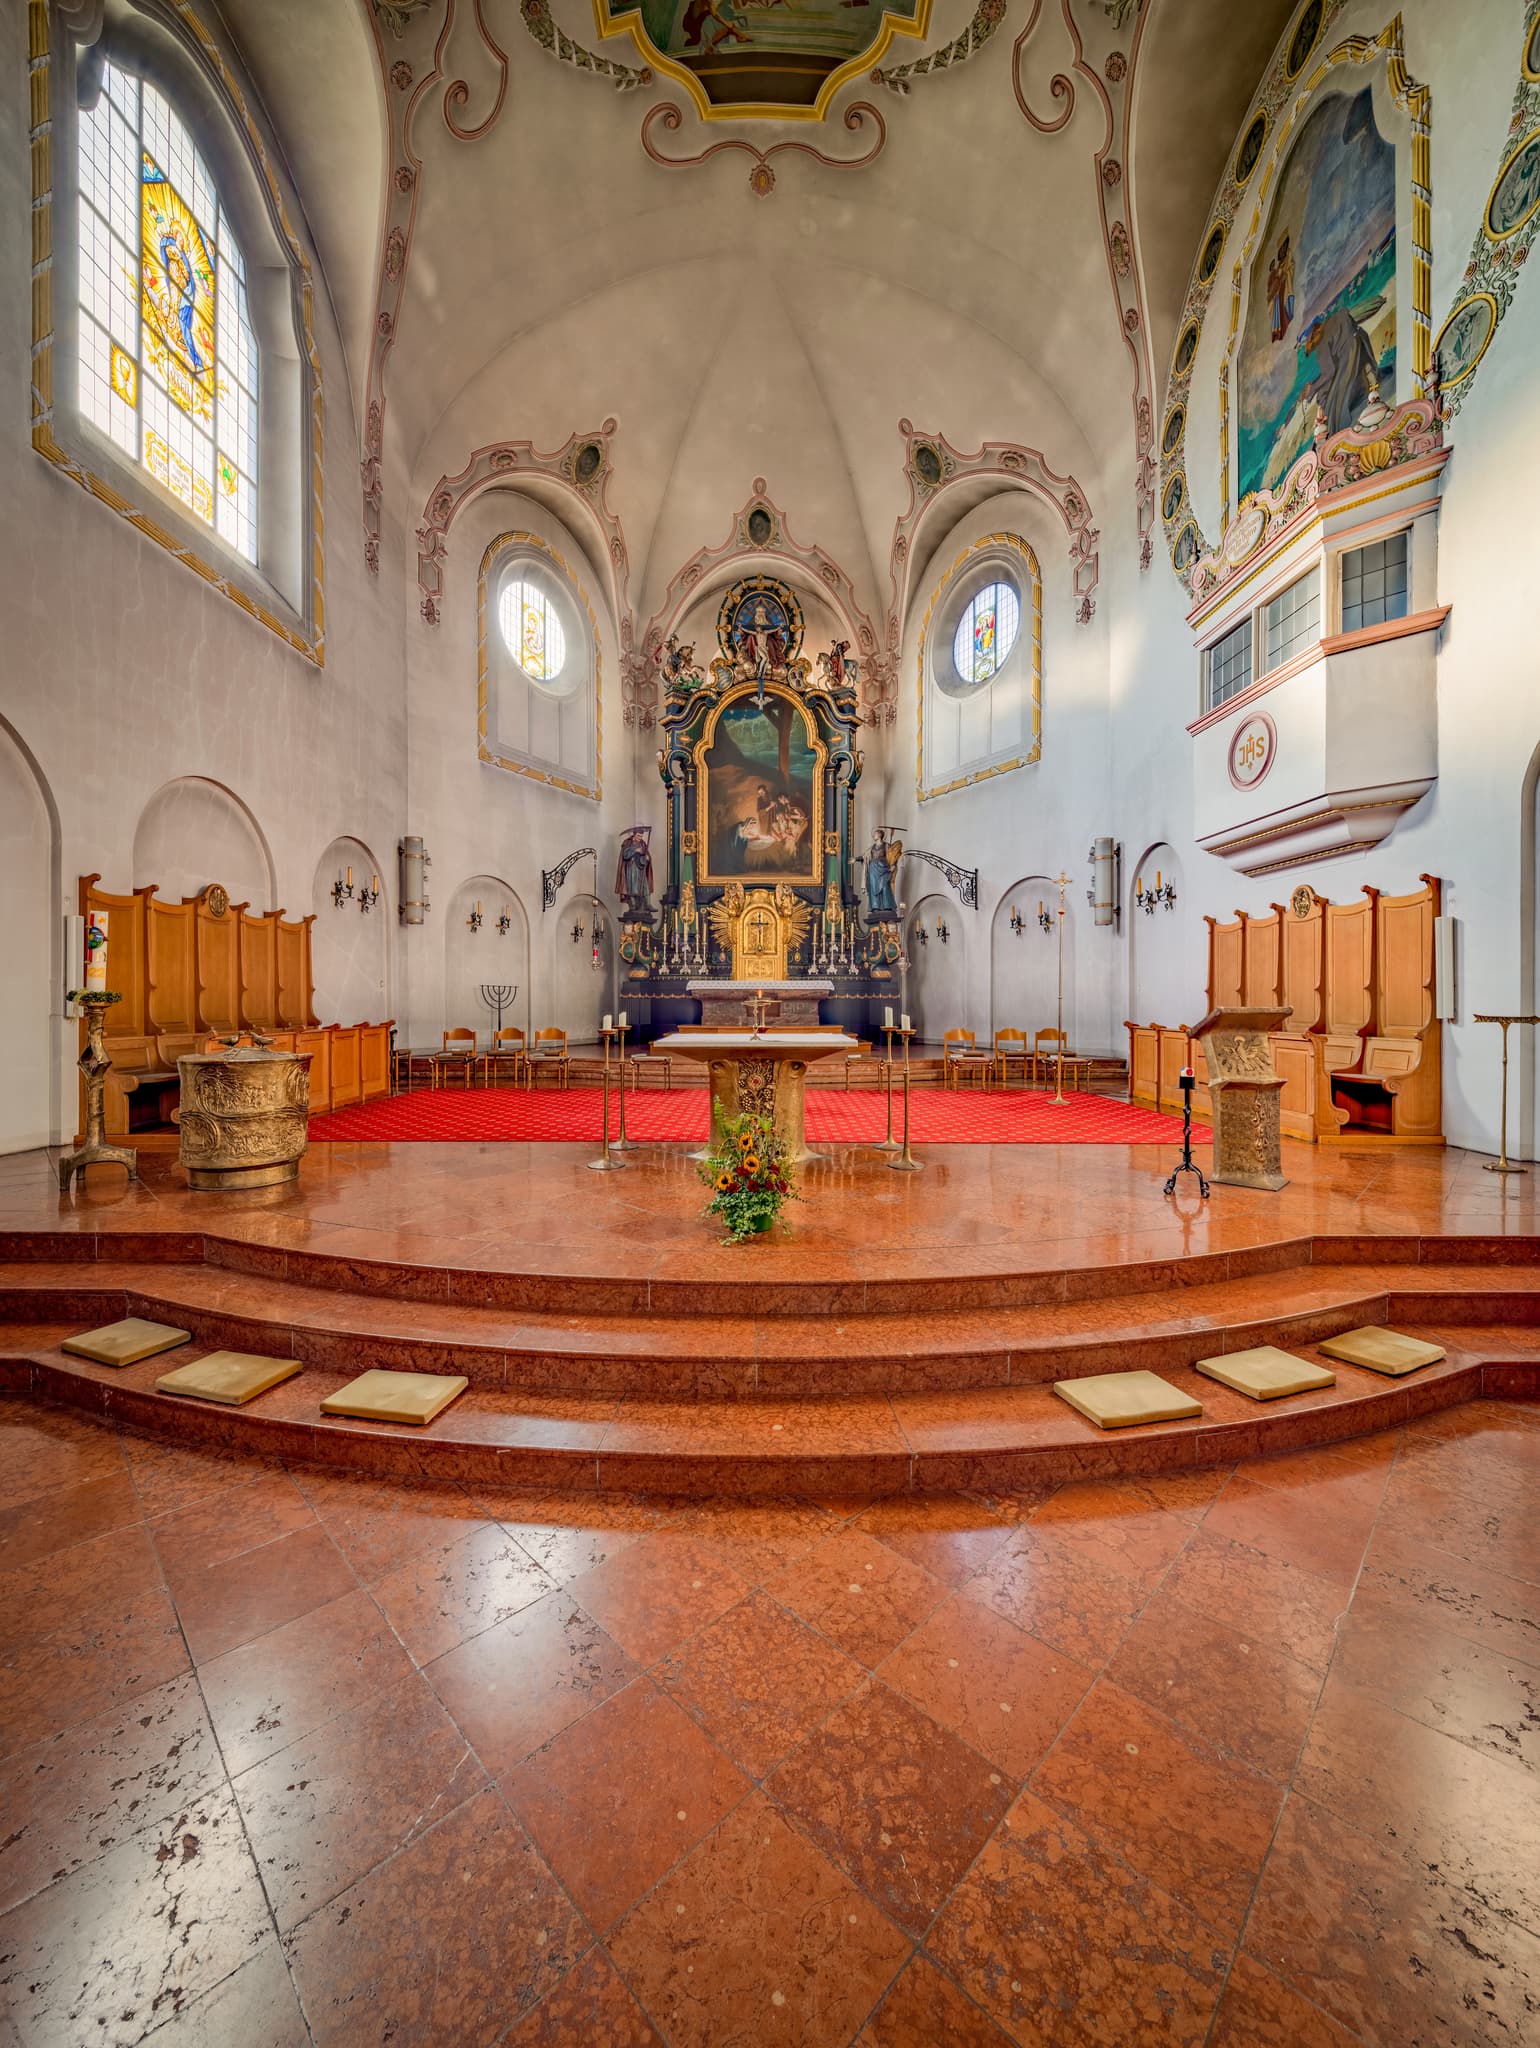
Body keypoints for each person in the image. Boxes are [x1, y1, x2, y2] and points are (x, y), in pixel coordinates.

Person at [615, 826, 653, 923]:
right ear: (634, 835)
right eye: (639, 836)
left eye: (641, 836)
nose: (640, 838)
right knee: (632, 888)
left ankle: (648, 904)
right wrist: (635, 850)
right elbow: (625, 855)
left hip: (640, 869)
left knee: (645, 886)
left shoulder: (643, 844)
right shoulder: (628, 843)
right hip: (631, 868)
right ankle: (633, 906)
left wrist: (647, 859)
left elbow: (646, 855)